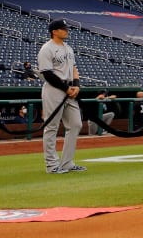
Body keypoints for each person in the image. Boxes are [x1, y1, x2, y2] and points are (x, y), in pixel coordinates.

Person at [38, 19, 85, 174]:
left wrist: (76, 85)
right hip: (54, 89)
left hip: (70, 88)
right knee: (51, 127)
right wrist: (66, 88)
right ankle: (51, 165)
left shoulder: (68, 48)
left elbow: (74, 68)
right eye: (63, 29)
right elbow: (47, 74)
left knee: (76, 124)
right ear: (54, 31)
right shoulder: (47, 48)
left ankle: (67, 162)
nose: (66, 30)